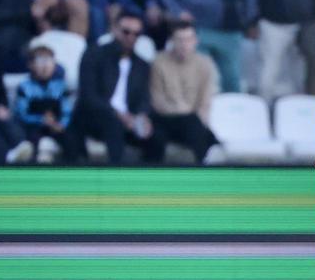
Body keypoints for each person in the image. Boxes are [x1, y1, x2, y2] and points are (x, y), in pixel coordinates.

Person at [66, 9, 160, 163]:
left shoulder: (142, 65)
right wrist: (119, 115)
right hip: (94, 117)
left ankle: (152, 183)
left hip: (129, 119)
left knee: (157, 135)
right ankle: (118, 177)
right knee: (113, 124)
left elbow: (144, 97)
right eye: (126, 32)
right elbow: (89, 97)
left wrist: (142, 116)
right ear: (114, 29)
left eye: (136, 34)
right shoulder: (93, 55)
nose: (131, 37)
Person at [149, 21, 221, 164]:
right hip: (165, 118)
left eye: (188, 39)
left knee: (202, 132)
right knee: (156, 135)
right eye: (180, 40)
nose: (184, 44)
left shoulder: (205, 64)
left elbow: (205, 102)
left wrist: (191, 115)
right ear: (172, 41)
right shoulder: (158, 62)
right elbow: (157, 100)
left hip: (192, 120)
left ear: (195, 41)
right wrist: (182, 111)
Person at [12, 42, 71, 162]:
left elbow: (67, 111)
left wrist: (61, 124)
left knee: (71, 138)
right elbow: (21, 114)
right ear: (31, 65)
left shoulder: (61, 87)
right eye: (40, 61)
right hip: (33, 127)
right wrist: (41, 120)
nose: (45, 66)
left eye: (49, 60)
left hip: (56, 127)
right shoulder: (24, 87)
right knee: (34, 140)